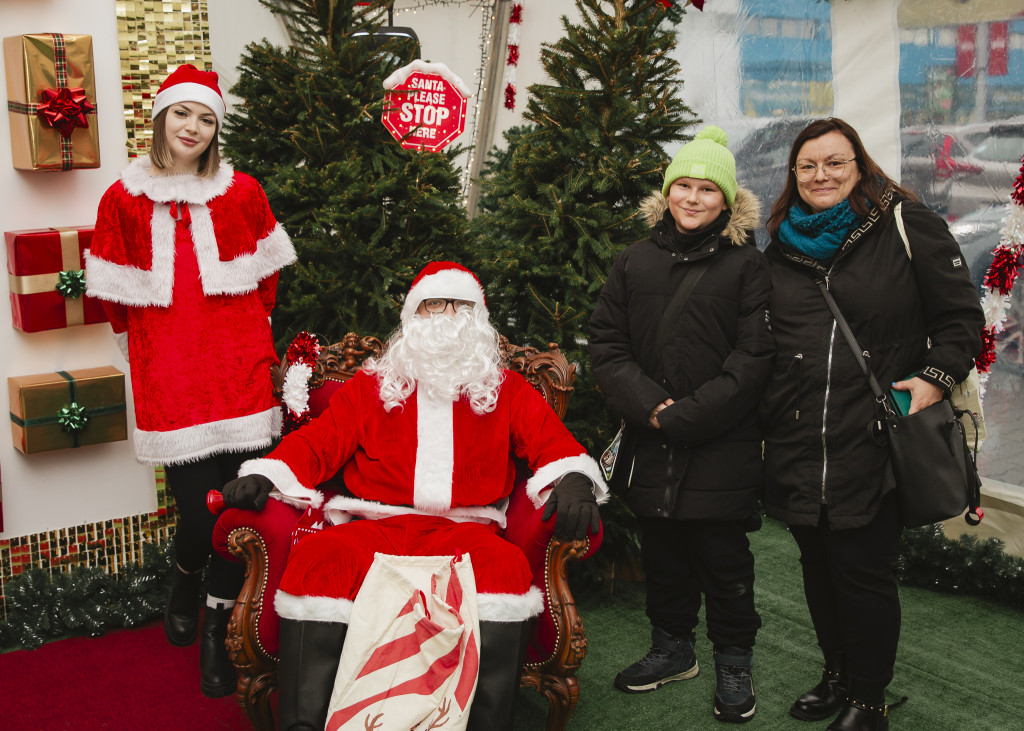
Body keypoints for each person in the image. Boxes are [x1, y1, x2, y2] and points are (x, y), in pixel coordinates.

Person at [219, 261, 607, 731]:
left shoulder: (507, 390)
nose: (446, 315)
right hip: (374, 524)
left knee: (505, 571)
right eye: (434, 304)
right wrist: (268, 474)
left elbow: (552, 444)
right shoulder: (370, 386)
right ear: (412, 316)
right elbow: (318, 444)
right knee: (318, 561)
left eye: (459, 305)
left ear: (479, 318)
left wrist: (573, 478)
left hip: (467, 529)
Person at [759, 118, 984, 731]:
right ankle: (837, 674)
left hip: (875, 434)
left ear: (859, 166)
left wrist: (934, 379)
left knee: (862, 570)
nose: (821, 175)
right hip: (800, 435)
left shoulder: (907, 224)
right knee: (815, 562)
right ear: (793, 175)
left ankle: (869, 700)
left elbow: (963, 319)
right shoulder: (779, 245)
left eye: (835, 162)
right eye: (807, 166)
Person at [85, 64, 297, 697]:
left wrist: (243, 341)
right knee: (199, 517)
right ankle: (184, 572)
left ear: (216, 129)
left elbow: (266, 280)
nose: (194, 128)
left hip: (239, 374)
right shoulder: (122, 198)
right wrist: (149, 351)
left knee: (239, 511)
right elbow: (113, 302)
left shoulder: (243, 192)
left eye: (207, 119)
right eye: (184, 114)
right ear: (161, 118)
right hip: (170, 378)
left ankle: (215, 623)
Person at [589, 126, 774, 724]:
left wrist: (691, 415)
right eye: (683, 185)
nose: (693, 198)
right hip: (650, 437)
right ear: (667, 191)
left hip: (722, 441)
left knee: (723, 559)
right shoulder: (634, 261)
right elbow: (608, 347)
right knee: (663, 550)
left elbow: (754, 358)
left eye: (707, 189)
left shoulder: (748, 266)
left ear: (727, 200)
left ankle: (733, 660)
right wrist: (652, 408)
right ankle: (672, 648)